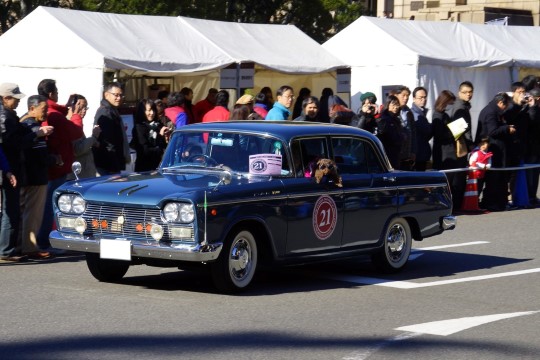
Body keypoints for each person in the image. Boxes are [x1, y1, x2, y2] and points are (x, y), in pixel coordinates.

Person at [0, 83, 51, 262]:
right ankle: (8, 250)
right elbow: (11, 144)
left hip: (13, 170)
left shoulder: (11, 116)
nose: (17, 102)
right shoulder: (6, 116)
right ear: (5, 98)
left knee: (13, 211)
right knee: (11, 212)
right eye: (15, 98)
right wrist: (36, 134)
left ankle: (12, 249)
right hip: (14, 171)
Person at [36, 79, 80, 252]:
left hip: (51, 165)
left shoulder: (51, 111)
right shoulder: (54, 114)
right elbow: (75, 132)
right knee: (52, 206)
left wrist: (66, 107)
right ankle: (46, 242)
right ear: (51, 94)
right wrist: (75, 114)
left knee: (46, 205)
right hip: (57, 167)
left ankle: (42, 241)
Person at [18, 95, 56, 259]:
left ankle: (23, 245)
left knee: (24, 213)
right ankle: (30, 247)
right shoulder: (32, 127)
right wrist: (54, 159)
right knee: (33, 214)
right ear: (32, 108)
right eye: (44, 109)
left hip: (27, 176)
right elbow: (38, 154)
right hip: (35, 177)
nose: (46, 113)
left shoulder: (23, 124)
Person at [476, 92, 513, 211]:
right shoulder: (491, 112)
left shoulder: (490, 109)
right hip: (493, 148)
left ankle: (495, 202)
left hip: (492, 148)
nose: (506, 108)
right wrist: (506, 128)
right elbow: (492, 131)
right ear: (500, 103)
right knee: (494, 178)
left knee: (495, 178)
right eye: (505, 105)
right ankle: (491, 203)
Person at [432, 90, 465, 210]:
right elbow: (440, 134)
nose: (449, 106)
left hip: (448, 151)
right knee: (448, 181)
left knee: (450, 181)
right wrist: (455, 130)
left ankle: (449, 205)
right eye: (448, 103)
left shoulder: (443, 115)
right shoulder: (438, 116)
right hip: (444, 154)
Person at [92, 81, 131, 176]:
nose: (119, 98)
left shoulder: (112, 110)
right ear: (106, 95)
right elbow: (108, 143)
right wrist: (114, 167)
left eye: (121, 95)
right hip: (107, 166)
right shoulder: (106, 112)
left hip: (110, 165)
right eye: (116, 95)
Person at [68, 94, 101, 179]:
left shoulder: (76, 122)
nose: (84, 110)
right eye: (81, 107)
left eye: (85, 107)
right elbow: (78, 149)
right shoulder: (71, 123)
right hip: (77, 176)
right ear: (73, 107)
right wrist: (93, 137)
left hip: (84, 174)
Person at [131, 99, 168, 172]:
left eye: (154, 110)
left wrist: (166, 138)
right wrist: (160, 137)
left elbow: (164, 146)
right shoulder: (139, 127)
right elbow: (144, 150)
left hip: (159, 166)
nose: (152, 113)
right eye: (149, 110)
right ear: (142, 111)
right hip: (144, 168)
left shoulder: (158, 125)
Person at [377, 95, 405, 169]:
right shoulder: (384, 119)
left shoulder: (396, 119)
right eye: (393, 104)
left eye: (397, 104)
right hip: (388, 154)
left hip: (396, 154)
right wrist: (402, 137)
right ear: (388, 105)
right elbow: (390, 137)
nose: (396, 107)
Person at [410, 87, 432, 171]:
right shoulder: (414, 114)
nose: (423, 99)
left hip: (422, 153)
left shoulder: (421, 112)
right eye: (420, 98)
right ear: (414, 99)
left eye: (425, 97)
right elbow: (427, 131)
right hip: (418, 154)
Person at [395, 85, 416, 170]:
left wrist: (414, 151)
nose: (406, 98)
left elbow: (413, 133)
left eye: (407, 96)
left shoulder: (409, 112)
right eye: (403, 95)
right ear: (396, 95)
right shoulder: (391, 111)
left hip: (408, 154)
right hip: (396, 154)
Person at [525, 88, 540, 205]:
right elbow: (532, 122)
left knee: (535, 172)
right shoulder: (531, 109)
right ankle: (530, 196)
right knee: (531, 172)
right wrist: (532, 107)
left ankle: (532, 195)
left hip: (535, 146)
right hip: (531, 148)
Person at [468, 137, 492, 204]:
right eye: (482, 144)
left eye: (486, 144)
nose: (484, 145)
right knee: (474, 189)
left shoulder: (488, 154)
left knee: (480, 188)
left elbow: (489, 162)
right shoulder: (476, 153)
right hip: (475, 174)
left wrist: (488, 166)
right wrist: (482, 166)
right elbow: (472, 162)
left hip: (482, 174)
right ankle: (473, 202)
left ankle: (477, 202)